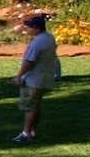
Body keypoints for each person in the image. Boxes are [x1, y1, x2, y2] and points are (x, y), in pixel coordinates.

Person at [14, 12, 61, 143]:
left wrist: (19, 75)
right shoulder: (49, 38)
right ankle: (33, 130)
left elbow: (29, 61)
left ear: (36, 28)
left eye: (29, 27)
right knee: (36, 105)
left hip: (33, 79)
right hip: (43, 77)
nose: (27, 29)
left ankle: (26, 133)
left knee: (29, 106)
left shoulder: (37, 42)